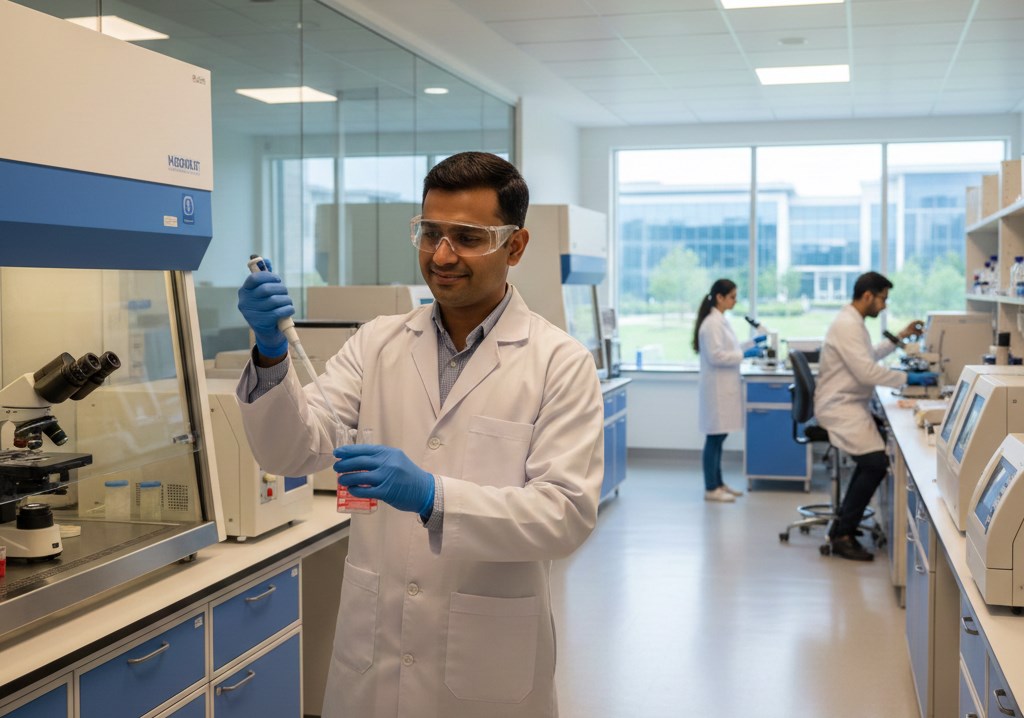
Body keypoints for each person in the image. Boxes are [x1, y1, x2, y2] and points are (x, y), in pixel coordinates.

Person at [234, 152, 605, 718]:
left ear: (516, 246)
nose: (442, 255)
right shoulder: (377, 342)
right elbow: (292, 449)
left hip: (487, 666)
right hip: (374, 653)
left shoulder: (559, 362)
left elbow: (565, 515)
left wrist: (435, 497)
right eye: (430, 233)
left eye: (468, 237)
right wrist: (269, 353)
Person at [814, 271, 932, 561]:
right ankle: (842, 535)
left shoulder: (853, 322)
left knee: (873, 459)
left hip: (849, 404)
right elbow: (867, 372)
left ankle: (843, 523)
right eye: (882, 299)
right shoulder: (847, 325)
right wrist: (908, 378)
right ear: (868, 296)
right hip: (839, 407)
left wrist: (899, 337)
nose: (884, 305)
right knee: (875, 463)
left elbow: (867, 357)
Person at [693, 278, 766, 503]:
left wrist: (751, 344)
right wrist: (746, 354)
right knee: (714, 439)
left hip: (724, 387)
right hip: (716, 389)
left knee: (720, 437)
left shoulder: (720, 321)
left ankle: (719, 483)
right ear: (720, 297)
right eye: (732, 297)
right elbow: (716, 356)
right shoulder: (711, 324)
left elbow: (730, 348)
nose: (735, 301)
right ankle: (711, 488)